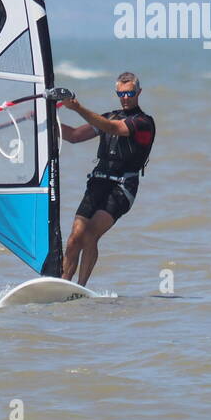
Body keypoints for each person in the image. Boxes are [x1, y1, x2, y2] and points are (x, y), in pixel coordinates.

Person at [47, 72, 155, 286]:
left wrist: (77, 108)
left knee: (90, 235)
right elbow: (75, 136)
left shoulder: (144, 122)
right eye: (121, 94)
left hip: (122, 188)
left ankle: (80, 287)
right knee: (74, 237)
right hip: (98, 183)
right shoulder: (110, 116)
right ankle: (62, 284)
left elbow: (113, 128)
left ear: (138, 93)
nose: (125, 98)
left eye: (130, 93)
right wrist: (45, 121)